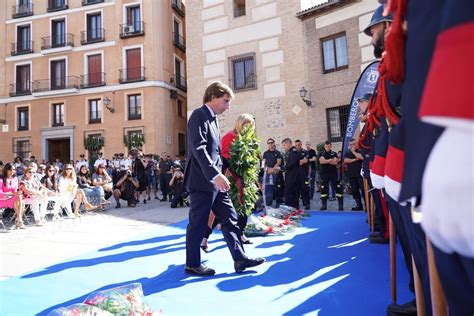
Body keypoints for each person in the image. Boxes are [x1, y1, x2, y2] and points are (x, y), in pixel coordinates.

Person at [183, 81, 265, 276]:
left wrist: (226, 171)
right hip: (202, 182)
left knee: (230, 218)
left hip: (217, 182)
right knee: (198, 223)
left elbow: (216, 153)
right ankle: (192, 263)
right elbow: (199, 149)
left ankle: (240, 259)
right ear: (213, 97)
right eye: (225, 101)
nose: (228, 106)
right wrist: (216, 174)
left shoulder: (213, 119)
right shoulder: (198, 115)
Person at [318, 141, 343, 210]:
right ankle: (324, 205)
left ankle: (340, 205)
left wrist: (326, 160)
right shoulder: (321, 153)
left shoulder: (334, 153)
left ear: (331, 146)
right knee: (324, 189)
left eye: (329, 146)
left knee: (337, 188)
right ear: (324, 146)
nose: (327, 148)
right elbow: (321, 161)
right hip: (324, 174)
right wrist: (330, 160)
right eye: (326, 146)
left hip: (333, 173)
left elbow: (335, 163)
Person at [0, 163, 25, 229]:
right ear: (6, 170)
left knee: (21, 199)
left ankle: (19, 220)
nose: (12, 171)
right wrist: (12, 194)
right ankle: (19, 220)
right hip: (2, 200)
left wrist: (17, 192)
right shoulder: (1, 179)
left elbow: (15, 189)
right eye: (10, 170)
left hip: (11, 198)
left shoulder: (15, 179)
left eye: (13, 170)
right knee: (21, 202)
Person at [262, 138, 284, 207]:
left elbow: (279, 162)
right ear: (268, 144)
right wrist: (266, 169)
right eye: (269, 143)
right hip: (268, 173)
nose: (270, 144)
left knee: (277, 189)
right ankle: (268, 203)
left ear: (274, 143)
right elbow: (263, 163)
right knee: (268, 189)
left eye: (272, 142)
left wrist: (272, 169)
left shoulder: (278, 153)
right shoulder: (265, 153)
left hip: (276, 173)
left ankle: (278, 203)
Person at [344, 138, 365, 210]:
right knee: (354, 191)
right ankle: (359, 205)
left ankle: (367, 205)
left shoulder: (360, 150)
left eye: (353, 144)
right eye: (350, 145)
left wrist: (353, 152)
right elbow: (346, 160)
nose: (352, 146)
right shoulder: (347, 152)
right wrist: (355, 159)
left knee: (363, 190)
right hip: (351, 175)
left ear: (356, 144)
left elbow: (361, 157)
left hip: (360, 175)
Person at [280, 138, 301, 209]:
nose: (284, 147)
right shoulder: (291, 152)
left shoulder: (293, 152)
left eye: (284, 145)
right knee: (292, 195)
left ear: (288, 143)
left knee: (289, 195)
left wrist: (283, 168)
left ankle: (290, 210)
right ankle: (294, 210)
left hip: (293, 178)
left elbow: (291, 164)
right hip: (292, 177)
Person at [295, 139, 310, 210]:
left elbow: (305, 160)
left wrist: (298, 162)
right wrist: (299, 161)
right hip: (296, 175)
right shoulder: (294, 153)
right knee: (297, 190)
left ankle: (307, 203)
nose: (297, 146)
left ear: (301, 145)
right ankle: (297, 205)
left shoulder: (305, 152)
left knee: (305, 189)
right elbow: (295, 162)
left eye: (299, 145)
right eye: (296, 145)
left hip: (304, 174)